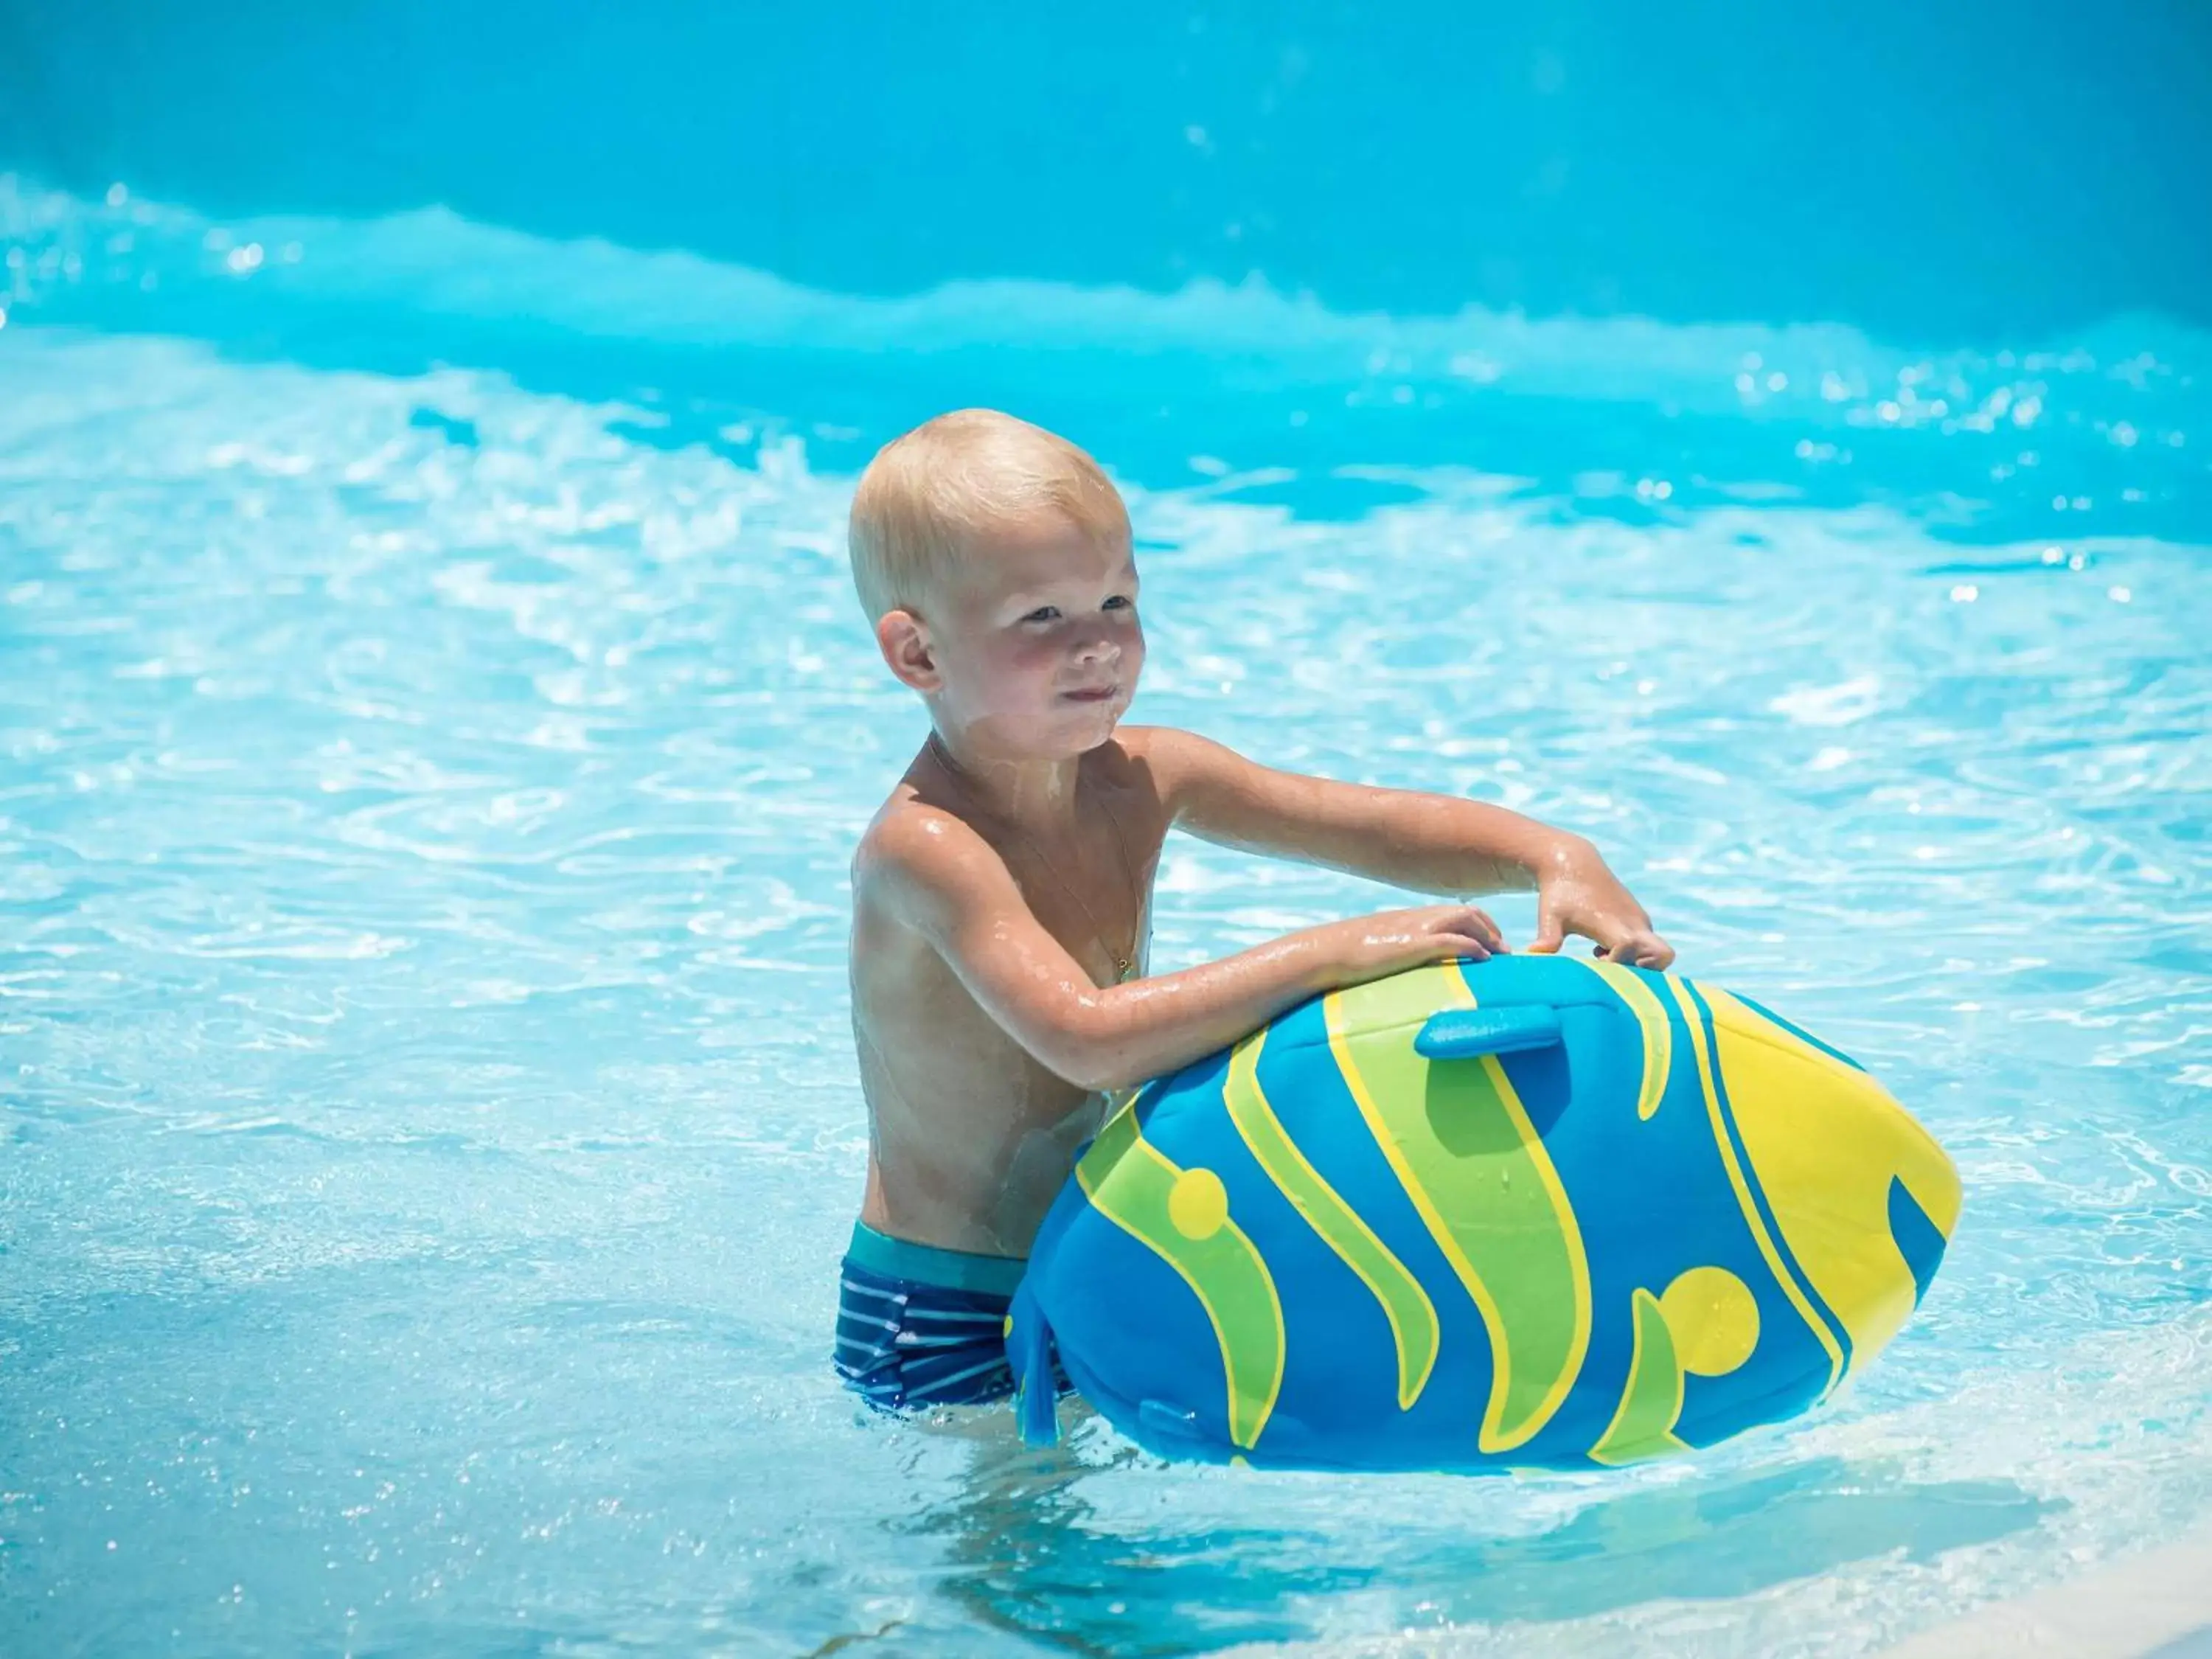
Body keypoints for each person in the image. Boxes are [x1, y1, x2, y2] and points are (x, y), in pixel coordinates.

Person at [833, 408, 1672, 1413]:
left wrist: (1553, 853)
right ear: (918, 655)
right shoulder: (927, 848)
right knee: (1005, 1565)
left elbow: (1360, 824)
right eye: (1042, 618)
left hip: (1098, 1259)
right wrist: (1339, 952)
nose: (1098, 644)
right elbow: (1085, 1039)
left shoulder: (1146, 775)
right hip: (944, 1308)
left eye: (1115, 599)